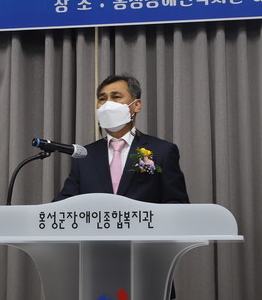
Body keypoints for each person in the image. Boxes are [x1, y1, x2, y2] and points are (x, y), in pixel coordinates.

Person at [54, 73, 190, 203]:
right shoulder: (85, 155)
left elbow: (176, 202)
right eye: (102, 99)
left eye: (116, 97)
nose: (107, 105)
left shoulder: (163, 151)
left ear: (137, 105)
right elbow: (64, 202)